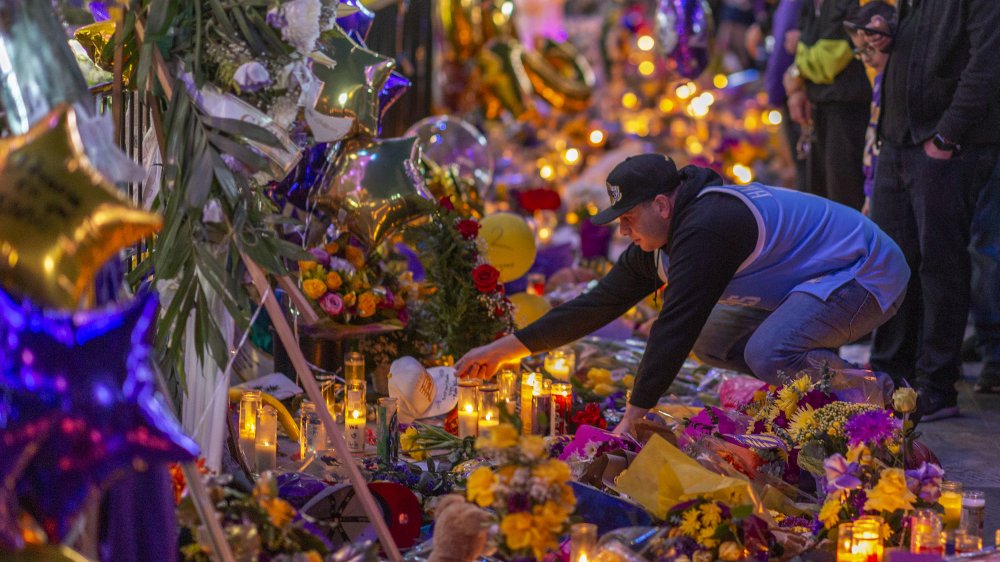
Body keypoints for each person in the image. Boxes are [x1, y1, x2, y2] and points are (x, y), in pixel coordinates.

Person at [455, 154, 909, 435]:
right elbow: (596, 305)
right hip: (811, 285)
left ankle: (879, 398)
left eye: (628, 217)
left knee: (768, 351)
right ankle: (807, 389)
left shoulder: (708, 226)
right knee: (711, 339)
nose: (624, 230)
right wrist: (503, 350)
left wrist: (635, 414)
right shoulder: (660, 240)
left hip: (866, 275)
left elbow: (676, 323)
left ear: (662, 204)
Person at [863, 0, 1000, 420]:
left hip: (945, 146)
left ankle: (936, 385)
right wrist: (885, 30)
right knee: (890, 261)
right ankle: (888, 375)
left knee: (940, 266)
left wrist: (947, 136)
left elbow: (988, 62)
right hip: (898, 137)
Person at [785, 0, 870, 210]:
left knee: (844, 203)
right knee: (819, 200)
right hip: (818, 108)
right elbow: (795, 44)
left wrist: (795, 72)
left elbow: (830, 60)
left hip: (848, 112)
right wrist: (798, 81)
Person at [843, 1, 894, 216]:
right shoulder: (878, 84)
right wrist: (869, 194)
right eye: (859, 51)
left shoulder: (891, 87)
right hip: (876, 192)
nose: (865, 58)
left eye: (870, 49)